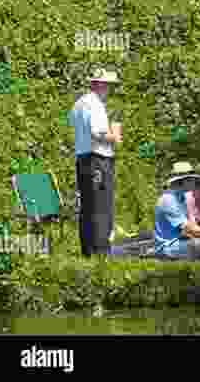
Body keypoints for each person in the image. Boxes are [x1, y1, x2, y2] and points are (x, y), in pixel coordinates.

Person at [68, 68, 122, 257]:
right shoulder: (95, 104)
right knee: (102, 206)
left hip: (83, 159)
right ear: (100, 85)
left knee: (88, 206)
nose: (109, 90)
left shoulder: (78, 104)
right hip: (98, 159)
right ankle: (101, 253)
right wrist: (115, 136)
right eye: (108, 85)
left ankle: (88, 252)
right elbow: (98, 133)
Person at [154, 162, 200, 259]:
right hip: (169, 247)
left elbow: (192, 225)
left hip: (183, 240)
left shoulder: (181, 197)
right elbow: (189, 229)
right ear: (183, 181)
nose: (195, 183)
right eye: (192, 179)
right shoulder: (168, 200)